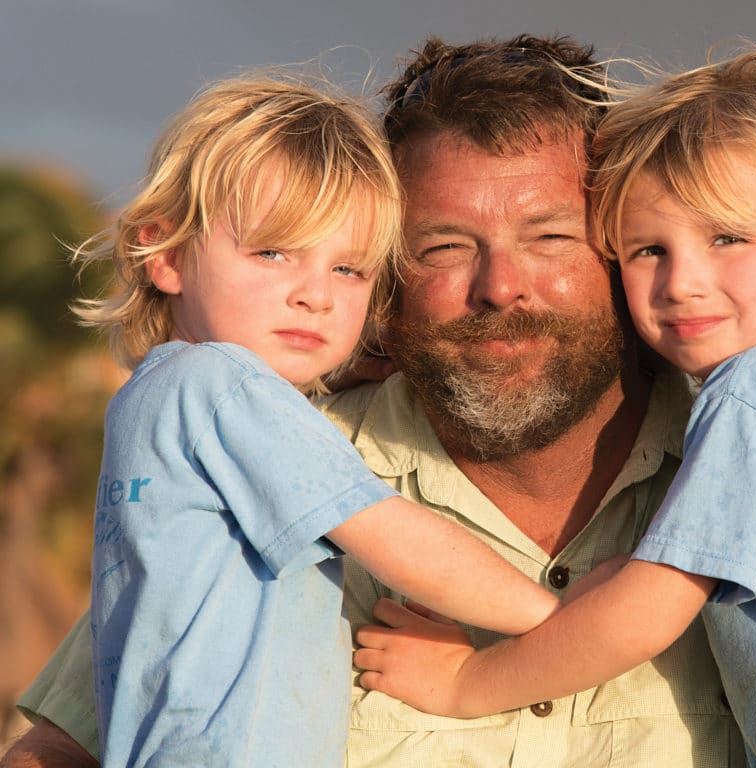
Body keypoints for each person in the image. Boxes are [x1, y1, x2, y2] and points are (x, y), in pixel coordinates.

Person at [2, 36, 744, 768]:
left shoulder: (753, 467)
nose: (500, 286)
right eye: (444, 247)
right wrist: (584, 627)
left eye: (550, 235)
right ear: (396, 284)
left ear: (624, 250)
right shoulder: (255, 461)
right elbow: (61, 746)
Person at [354, 50, 756, 767]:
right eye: (649, 249)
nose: (685, 282)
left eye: (728, 237)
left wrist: (466, 682)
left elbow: (648, 605)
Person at [69, 73, 561, 767]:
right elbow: (397, 540)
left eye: (351, 271)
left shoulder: (155, 395)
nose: (315, 297)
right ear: (167, 253)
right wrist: (555, 621)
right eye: (273, 252)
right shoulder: (222, 386)